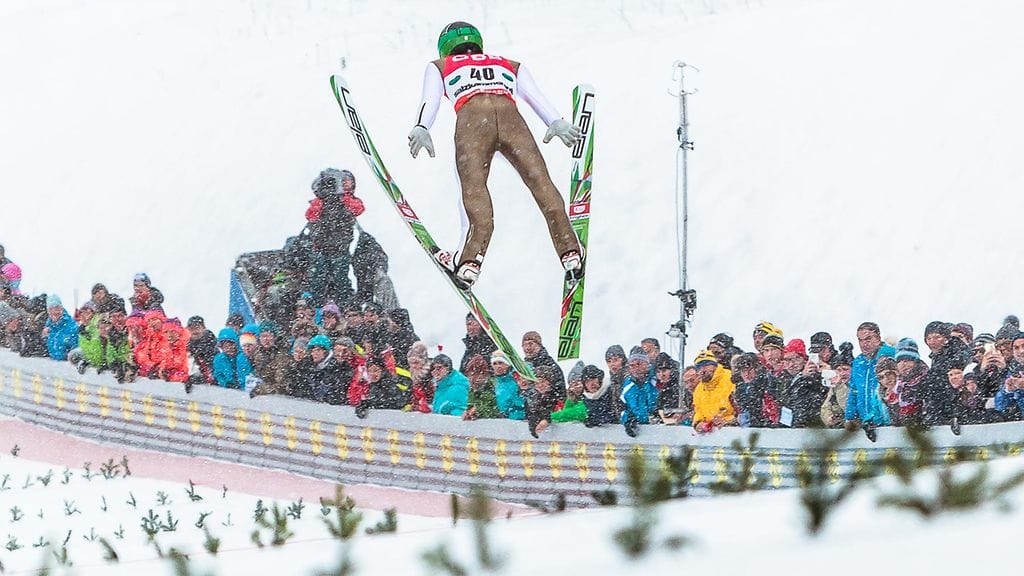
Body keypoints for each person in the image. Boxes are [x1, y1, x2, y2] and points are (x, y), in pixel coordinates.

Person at [408, 21, 584, 287]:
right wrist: (555, 121)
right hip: (511, 117)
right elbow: (534, 95)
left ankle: (469, 261)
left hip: (472, 119)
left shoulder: (440, 66)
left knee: (473, 190)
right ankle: (569, 251)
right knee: (541, 183)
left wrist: (422, 126)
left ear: (445, 47)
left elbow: (429, 99)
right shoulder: (509, 63)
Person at [305, 168, 364, 307]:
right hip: (321, 248)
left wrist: (341, 198)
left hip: (339, 249)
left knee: (340, 279)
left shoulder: (347, 200)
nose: (345, 184)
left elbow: (358, 209)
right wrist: (324, 198)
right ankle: (318, 306)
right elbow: (311, 215)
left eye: (347, 181)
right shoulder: (320, 201)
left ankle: (342, 305)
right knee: (318, 280)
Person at [845, 322, 895, 435]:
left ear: (878, 338)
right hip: (866, 423)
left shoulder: (888, 357)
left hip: (888, 422)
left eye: (868, 339)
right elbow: (854, 391)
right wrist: (850, 417)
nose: (864, 344)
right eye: (860, 340)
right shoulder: (858, 362)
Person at [918, 320, 971, 425]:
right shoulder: (937, 357)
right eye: (929, 338)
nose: (933, 342)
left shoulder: (956, 353)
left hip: (957, 406)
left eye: (937, 337)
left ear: (946, 338)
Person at [691, 349, 736, 433]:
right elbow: (698, 410)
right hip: (711, 435)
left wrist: (728, 420)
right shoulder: (699, 389)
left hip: (732, 432)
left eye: (706, 365)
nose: (702, 370)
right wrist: (698, 423)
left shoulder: (730, 379)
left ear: (715, 366)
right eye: (699, 367)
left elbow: (740, 408)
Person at [732, 353, 780, 428]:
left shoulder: (768, 386)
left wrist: (757, 421)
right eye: (743, 371)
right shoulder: (740, 390)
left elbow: (773, 415)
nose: (746, 374)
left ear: (757, 369)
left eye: (750, 370)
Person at [619, 350, 659, 437]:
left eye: (639, 364)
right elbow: (622, 408)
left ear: (647, 364)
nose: (636, 368)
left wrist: (657, 415)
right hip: (639, 433)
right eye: (632, 365)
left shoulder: (656, 381)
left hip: (658, 431)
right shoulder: (627, 386)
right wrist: (627, 419)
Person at [250, 321, 292, 397]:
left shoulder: (282, 355)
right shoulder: (258, 354)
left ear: (275, 337)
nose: (266, 339)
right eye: (263, 336)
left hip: (280, 398)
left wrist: (262, 389)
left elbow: (281, 384)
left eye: (269, 336)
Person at [521, 330, 565, 398]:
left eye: (530, 344)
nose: (527, 348)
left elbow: (559, 389)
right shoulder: (524, 366)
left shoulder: (549, 363)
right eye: (524, 345)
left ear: (539, 345)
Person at [893, 338, 927, 424]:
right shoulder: (898, 386)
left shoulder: (928, 380)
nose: (903, 364)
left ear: (916, 361)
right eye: (899, 361)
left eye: (907, 360)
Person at [820, 344, 855, 427]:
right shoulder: (835, 386)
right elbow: (825, 407)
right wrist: (829, 417)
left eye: (845, 369)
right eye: (839, 370)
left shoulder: (855, 386)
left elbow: (847, 406)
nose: (842, 373)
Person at [525, 365, 561, 437]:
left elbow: (559, 413)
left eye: (543, 382)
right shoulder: (532, 398)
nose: (540, 385)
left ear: (550, 382)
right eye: (537, 383)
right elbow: (531, 413)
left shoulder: (557, 397)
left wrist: (547, 419)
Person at [463, 354, 501, 420]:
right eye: (474, 374)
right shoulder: (470, 390)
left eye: (482, 373)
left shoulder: (491, 388)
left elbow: (493, 410)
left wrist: (477, 411)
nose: (478, 377)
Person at [43, 294, 78, 361]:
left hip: (67, 368)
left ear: (62, 308)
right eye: (51, 309)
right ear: (47, 311)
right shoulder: (48, 327)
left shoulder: (72, 326)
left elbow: (76, 349)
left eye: (57, 308)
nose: (54, 312)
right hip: (53, 368)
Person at [491, 350, 524, 420]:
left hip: (513, 423)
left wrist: (508, 416)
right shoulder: (492, 383)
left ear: (507, 364)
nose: (498, 366)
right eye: (495, 363)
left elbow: (521, 405)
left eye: (501, 363)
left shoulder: (516, 382)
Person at [186, 316, 217, 386]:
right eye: (191, 328)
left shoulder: (212, 345)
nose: (194, 331)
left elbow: (212, 371)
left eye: (197, 327)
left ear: (204, 328)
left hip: (213, 387)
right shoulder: (189, 348)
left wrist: (199, 379)